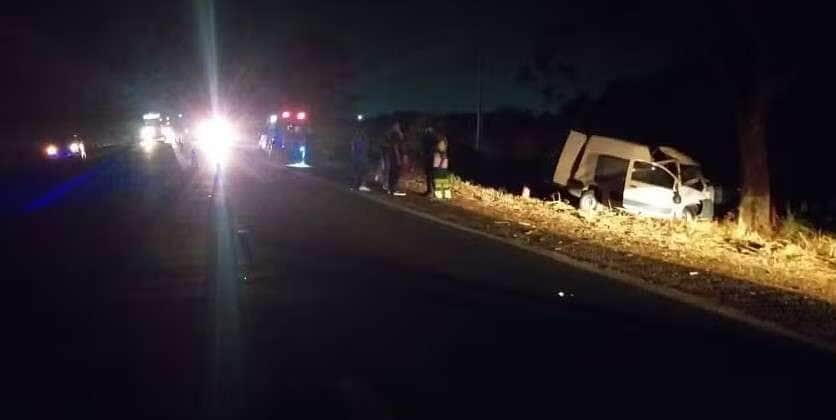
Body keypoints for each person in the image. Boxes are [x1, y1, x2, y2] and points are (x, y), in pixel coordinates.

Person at [383, 121, 406, 196]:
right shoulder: (395, 135)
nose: (398, 126)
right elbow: (396, 147)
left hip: (393, 156)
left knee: (392, 173)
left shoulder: (392, 134)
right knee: (395, 173)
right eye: (397, 125)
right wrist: (399, 158)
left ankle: (391, 189)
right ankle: (393, 189)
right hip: (395, 157)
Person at [350, 126, 371, 191]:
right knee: (364, 172)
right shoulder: (365, 139)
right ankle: (362, 185)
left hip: (356, 158)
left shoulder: (355, 139)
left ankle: (354, 186)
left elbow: (352, 149)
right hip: (363, 158)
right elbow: (367, 149)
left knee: (357, 172)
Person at [421, 126, 437, 196]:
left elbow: (434, 149)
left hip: (431, 158)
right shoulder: (427, 138)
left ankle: (433, 191)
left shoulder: (433, 139)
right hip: (429, 157)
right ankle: (430, 190)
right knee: (429, 175)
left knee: (431, 175)